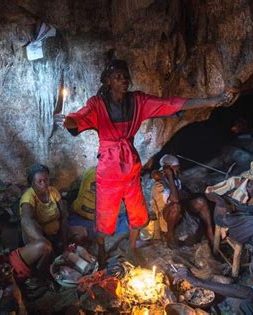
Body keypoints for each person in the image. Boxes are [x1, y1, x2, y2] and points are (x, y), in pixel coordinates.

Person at [55, 59, 237, 265]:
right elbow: (80, 118)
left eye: (125, 76)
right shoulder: (97, 105)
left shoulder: (138, 101)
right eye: (117, 77)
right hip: (109, 168)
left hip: (131, 165)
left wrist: (212, 100)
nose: (124, 80)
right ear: (108, 82)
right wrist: (67, 121)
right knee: (105, 216)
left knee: (138, 213)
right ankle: (102, 249)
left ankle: (132, 248)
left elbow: (170, 104)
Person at [11, 164, 87, 281]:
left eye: (46, 180)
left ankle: (62, 254)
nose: (44, 184)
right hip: (39, 236)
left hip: (55, 233)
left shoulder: (53, 191)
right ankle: (43, 275)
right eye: (39, 181)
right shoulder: (28, 197)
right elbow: (27, 220)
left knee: (82, 232)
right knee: (46, 248)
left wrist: (64, 241)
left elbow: (63, 216)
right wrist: (43, 240)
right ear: (32, 183)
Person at [147, 154, 214, 247]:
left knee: (201, 201)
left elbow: (185, 194)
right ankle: (169, 234)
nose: (178, 170)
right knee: (175, 206)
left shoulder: (176, 181)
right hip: (166, 219)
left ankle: (210, 233)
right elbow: (175, 199)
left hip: (181, 212)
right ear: (168, 169)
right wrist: (169, 176)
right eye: (176, 168)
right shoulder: (159, 185)